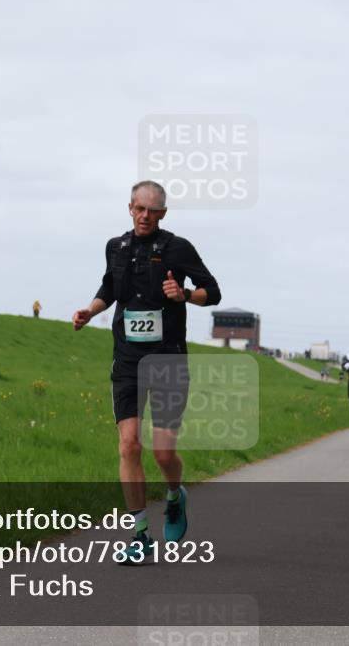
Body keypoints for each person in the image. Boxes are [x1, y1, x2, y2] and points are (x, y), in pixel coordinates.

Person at [72, 181, 221, 565]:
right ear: (129, 208)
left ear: (163, 215)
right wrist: (91, 310)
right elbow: (109, 285)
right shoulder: (115, 247)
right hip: (127, 362)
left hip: (169, 359)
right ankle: (139, 534)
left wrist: (185, 295)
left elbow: (213, 291)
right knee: (128, 445)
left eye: (152, 211)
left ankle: (175, 495)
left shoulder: (178, 248)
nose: (144, 216)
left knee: (163, 452)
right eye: (139, 209)